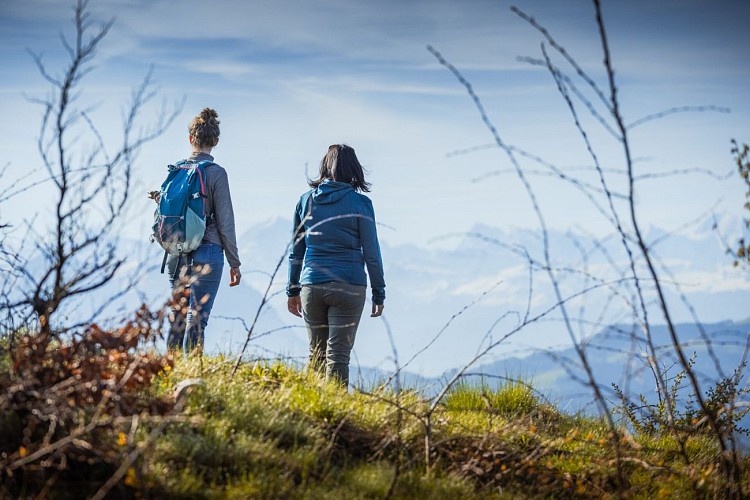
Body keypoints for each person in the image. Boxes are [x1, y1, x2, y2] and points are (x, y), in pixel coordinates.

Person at [286, 144, 385, 387]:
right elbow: (372, 253)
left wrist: (292, 289)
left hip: (312, 285)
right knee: (338, 357)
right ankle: (337, 415)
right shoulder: (361, 204)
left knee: (316, 354)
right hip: (349, 285)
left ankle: (313, 411)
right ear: (354, 170)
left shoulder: (304, 201)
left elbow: (296, 250)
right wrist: (378, 293)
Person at [156, 108, 242, 352]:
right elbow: (225, 222)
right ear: (215, 141)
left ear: (190, 138)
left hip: (177, 250)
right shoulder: (217, 174)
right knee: (198, 317)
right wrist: (234, 262)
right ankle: (192, 372)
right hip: (209, 251)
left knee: (178, 313)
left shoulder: (176, 171)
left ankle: (169, 369)